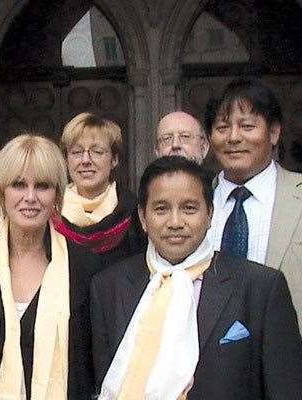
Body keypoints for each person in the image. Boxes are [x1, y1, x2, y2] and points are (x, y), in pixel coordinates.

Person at [91, 156, 302, 399]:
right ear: (142, 217)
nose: (175, 222)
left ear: (210, 214)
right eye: (161, 209)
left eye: (189, 208)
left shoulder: (261, 288)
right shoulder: (108, 287)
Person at [0, 134, 103, 400]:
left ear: (58, 195)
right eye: (18, 185)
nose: (30, 197)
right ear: (1, 191)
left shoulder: (85, 268)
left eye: (42, 186)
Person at [205, 78, 302, 329]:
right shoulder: (194, 202)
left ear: (274, 132)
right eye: (222, 127)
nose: (233, 138)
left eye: (247, 126)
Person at [52, 113, 145, 263]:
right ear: (66, 160)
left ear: (114, 159)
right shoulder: (51, 212)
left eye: (97, 152)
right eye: (76, 152)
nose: (86, 160)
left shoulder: (134, 214)